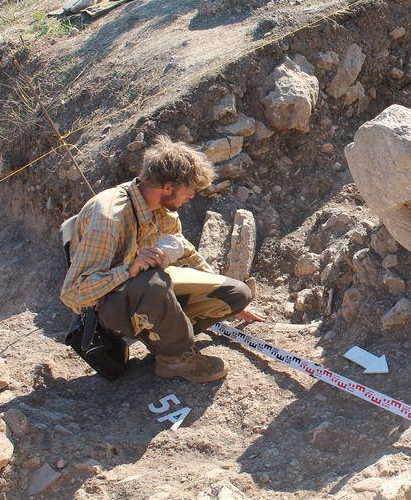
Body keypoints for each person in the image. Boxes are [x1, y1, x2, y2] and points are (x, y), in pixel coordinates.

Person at [60, 136, 265, 383]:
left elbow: (184, 250)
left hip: (144, 292)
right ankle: (174, 359)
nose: (192, 195)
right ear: (168, 187)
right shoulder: (109, 216)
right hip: (109, 308)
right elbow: (73, 294)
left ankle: (165, 336)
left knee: (235, 294)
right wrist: (129, 269)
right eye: (190, 189)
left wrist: (221, 288)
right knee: (153, 281)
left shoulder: (163, 210)